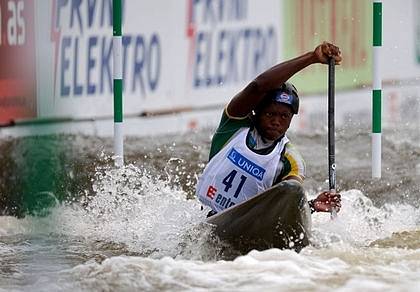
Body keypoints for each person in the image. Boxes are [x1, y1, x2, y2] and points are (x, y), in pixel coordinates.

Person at [196, 41, 342, 217]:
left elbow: (284, 206)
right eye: (270, 114)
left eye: (283, 117)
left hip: (241, 225)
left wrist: (311, 206)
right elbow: (258, 86)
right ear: (256, 112)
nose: (276, 122)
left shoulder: (291, 161)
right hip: (201, 215)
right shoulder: (235, 123)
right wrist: (311, 58)